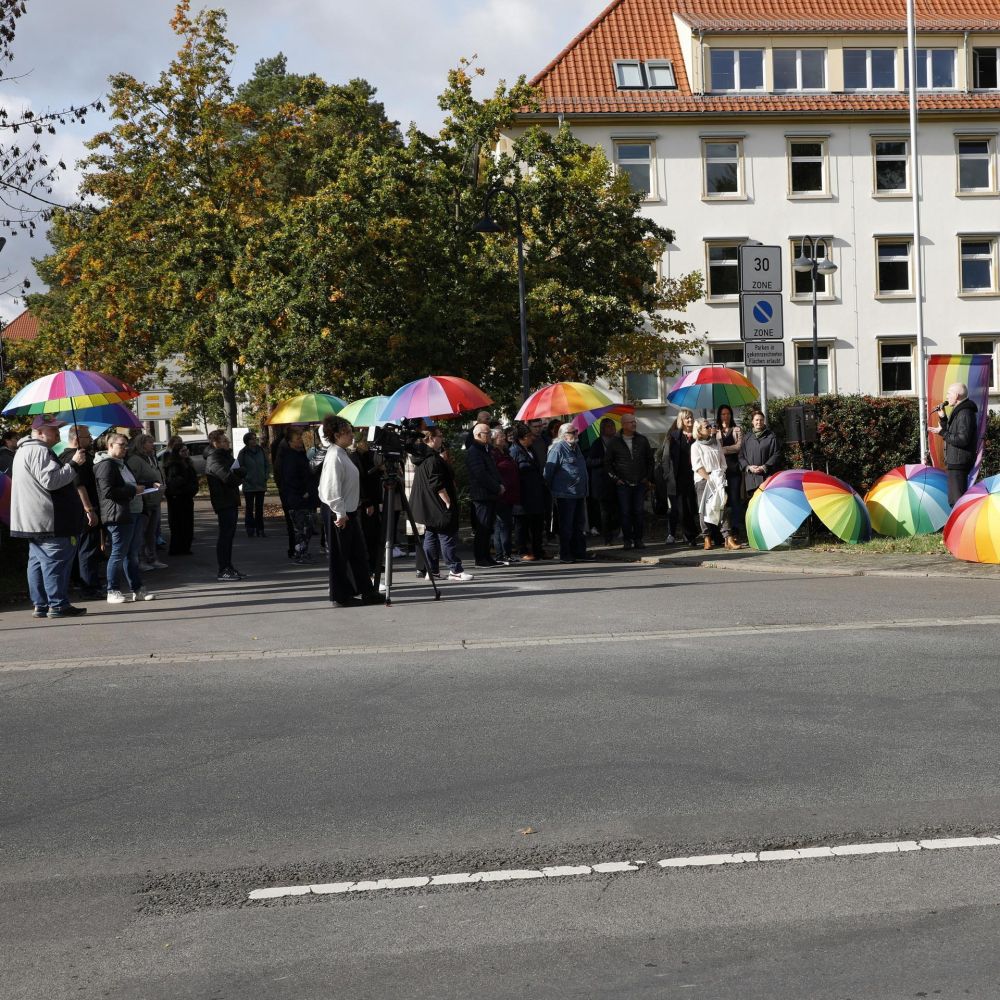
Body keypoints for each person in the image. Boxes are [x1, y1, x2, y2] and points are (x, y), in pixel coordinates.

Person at [9, 415, 88, 618]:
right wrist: (74, 464)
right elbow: (51, 481)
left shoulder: (23, 450)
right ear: (39, 432)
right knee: (55, 562)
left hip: (32, 519)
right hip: (48, 519)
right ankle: (58, 604)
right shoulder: (40, 450)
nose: (58, 432)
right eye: (53, 429)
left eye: (58, 428)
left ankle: (41, 604)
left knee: (36, 562)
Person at [318, 414, 380, 607]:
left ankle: (366, 591)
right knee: (340, 556)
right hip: (339, 512)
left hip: (348, 511)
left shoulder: (342, 453)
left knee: (357, 553)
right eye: (347, 432)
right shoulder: (334, 455)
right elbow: (331, 488)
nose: (351, 435)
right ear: (336, 435)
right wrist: (340, 513)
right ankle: (340, 596)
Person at [95, 432, 157, 604]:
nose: (125, 448)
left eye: (126, 445)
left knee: (132, 554)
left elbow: (131, 483)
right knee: (118, 553)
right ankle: (112, 590)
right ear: (110, 446)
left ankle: (137, 589)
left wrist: (150, 485)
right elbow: (108, 491)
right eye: (121, 444)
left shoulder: (122, 464)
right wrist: (133, 490)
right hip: (118, 515)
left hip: (133, 512)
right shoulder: (106, 465)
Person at [409, 425, 474, 582]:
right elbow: (436, 483)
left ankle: (432, 571)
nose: (442, 438)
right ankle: (455, 570)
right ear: (431, 438)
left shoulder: (424, 457)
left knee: (431, 535)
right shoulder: (431, 459)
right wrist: (447, 501)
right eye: (439, 435)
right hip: (437, 505)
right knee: (447, 535)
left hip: (428, 505)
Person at [59, 424, 104, 598]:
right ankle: (89, 588)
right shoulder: (76, 458)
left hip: (74, 510)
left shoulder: (64, 456)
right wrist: (89, 509)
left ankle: (81, 581)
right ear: (77, 439)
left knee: (80, 548)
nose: (91, 439)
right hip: (84, 510)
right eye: (88, 436)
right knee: (88, 549)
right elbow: (79, 485)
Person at [543, 422, 592, 563]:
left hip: (579, 493)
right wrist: (552, 490)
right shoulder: (557, 449)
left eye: (576, 431)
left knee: (579, 525)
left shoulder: (576, 448)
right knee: (567, 526)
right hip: (565, 494)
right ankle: (566, 553)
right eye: (572, 432)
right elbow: (548, 472)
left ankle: (579, 552)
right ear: (564, 436)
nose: (576, 434)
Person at [605, 413, 654, 550]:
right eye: (630, 422)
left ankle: (638, 539)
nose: (634, 424)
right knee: (625, 512)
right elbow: (607, 463)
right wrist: (616, 479)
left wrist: (647, 477)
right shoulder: (614, 442)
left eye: (634, 422)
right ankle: (627, 540)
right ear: (623, 424)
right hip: (623, 484)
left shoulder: (642, 440)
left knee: (638, 511)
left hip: (639, 482)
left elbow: (650, 460)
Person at [691, 418, 741, 551]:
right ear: (699, 431)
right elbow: (697, 466)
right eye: (707, 427)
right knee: (704, 509)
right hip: (703, 480)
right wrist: (709, 478)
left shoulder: (716, 443)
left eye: (710, 426)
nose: (710, 428)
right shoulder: (695, 446)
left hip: (717, 478)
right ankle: (707, 537)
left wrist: (720, 475)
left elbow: (722, 462)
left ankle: (728, 538)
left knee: (722, 507)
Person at [204, 428, 247, 582]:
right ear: (215, 443)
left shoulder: (224, 456)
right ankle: (223, 569)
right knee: (225, 536)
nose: (227, 442)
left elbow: (236, 471)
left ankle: (228, 567)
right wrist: (239, 475)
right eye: (223, 440)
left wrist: (240, 472)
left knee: (229, 536)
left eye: (227, 440)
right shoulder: (214, 459)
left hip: (229, 499)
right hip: (224, 501)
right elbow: (229, 478)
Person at [929, 382, 979, 505]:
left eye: (949, 394)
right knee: (953, 501)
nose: (946, 397)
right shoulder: (959, 411)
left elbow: (962, 439)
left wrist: (943, 433)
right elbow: (953, 432)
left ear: (956, 395)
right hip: (955, 463)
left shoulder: (965, 413)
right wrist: (943, 418)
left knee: (957, 502)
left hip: (959, 464)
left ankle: (962, 524)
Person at [466, 421, 504, 567]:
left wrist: (500, 484)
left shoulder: (485, 449)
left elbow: (492, 470)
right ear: (478, 435)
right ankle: (481, 558)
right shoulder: (474, 451)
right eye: (487, 433)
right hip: (482, 496)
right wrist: (496, 487)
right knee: (482, 528)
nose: (490, 435)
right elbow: (480, 474)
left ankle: (487, 557)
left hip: (490, 494)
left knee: (488, 528)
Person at [127, 434, 167, 572]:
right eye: (149, 442)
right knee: (141, 533)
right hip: (144, 500)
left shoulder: (152, 457)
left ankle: (152, 558)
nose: (153, 444)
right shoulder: (135, 460)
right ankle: (141, 560)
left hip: (154, 500)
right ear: (141, 444)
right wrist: (149, 485)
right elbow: (133, 480)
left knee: (152, 532)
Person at [510, 423, 546, 561]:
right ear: (522, 438)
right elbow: (513, 474)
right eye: (529, 436)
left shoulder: (531, 449)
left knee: (537, 523)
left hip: (535, 492)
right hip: (523, 494)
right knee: (522, 525)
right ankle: (522, 550)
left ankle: (538, 549)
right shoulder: (515, 451)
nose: (532, 438)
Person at [666, 408, 699, 546]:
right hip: (680, 477)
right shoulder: (674, 436)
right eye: (687, 418)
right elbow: (666, 458)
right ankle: (689, 536)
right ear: (682, 421)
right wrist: (667, 475)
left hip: (696, 475)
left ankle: (698, 533)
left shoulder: (698, 435)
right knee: (682, 508)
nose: (690, 420)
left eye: (691, 417)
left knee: (693, 507)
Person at [586, 418, 619, 546]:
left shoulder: (617, 442)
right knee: (605, 512)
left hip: (616, 481)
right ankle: (607, 537)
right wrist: (603, 460)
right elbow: (589, 462)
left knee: (616, 510)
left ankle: (616, 531)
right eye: (609, 427)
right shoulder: (597, 444)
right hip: (602, 483)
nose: (612, 429)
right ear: (603, 429)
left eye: (613, 426)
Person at [163, 441, 199, 555]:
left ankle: (185, 547)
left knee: (187, 523)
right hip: (177, 498)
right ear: (177, 453)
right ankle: (176, 548)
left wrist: (192, 488)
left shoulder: (188, 463)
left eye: (186, 450)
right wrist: (187, 484)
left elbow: (193, 479)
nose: (186, 452)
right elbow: (174, 482)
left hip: (187, 497)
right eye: (183, 451)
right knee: (178, 524)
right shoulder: (174, 465)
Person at [739, 410, 781, 506]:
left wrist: (764, 467)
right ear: (752, 422)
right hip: (751, 478)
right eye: (756, 420)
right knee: (753, 505)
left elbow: (776, 454)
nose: (759, 422)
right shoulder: (747, 437)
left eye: (761, 420)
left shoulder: (771, 436)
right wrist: (748, 467)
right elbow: (741, 456)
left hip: (767, 477)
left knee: (767, 505)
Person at [491, 426, 520, 564]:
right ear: (494, 439)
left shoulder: (505, 452)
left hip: (510, 493)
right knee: (501, 525)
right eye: (500, 436)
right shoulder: (493, 453)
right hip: (501, 494)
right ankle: (501, 554)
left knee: (506, 524)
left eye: (503, 435)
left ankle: (506, 553)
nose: (503, 437)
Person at [716, 405, 744, 542]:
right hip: (721, 471)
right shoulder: (716, 431)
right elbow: (714, 449)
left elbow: (738, 447)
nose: (725, 416)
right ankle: (724, 533)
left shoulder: (737, 430)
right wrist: (723, 448)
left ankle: (735, 529)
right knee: (722, 502)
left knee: (735, 500)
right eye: (722, 414)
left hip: (734, 470)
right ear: (719, 416)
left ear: (731, 415)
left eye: (727, 414)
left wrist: (723, 449)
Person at [237, 430, 269, 538]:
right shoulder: (243, 452)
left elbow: (266, 464)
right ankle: (250, 528)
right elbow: (238, 468)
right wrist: (246, 477)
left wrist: (265, 475)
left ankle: (260, 529)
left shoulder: (261, 450)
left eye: (255, 438)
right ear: (247, 441)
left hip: (260, 484)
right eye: (252, 438)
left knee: (259, 508)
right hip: (249, 485)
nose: (254, 440)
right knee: (249, 508)